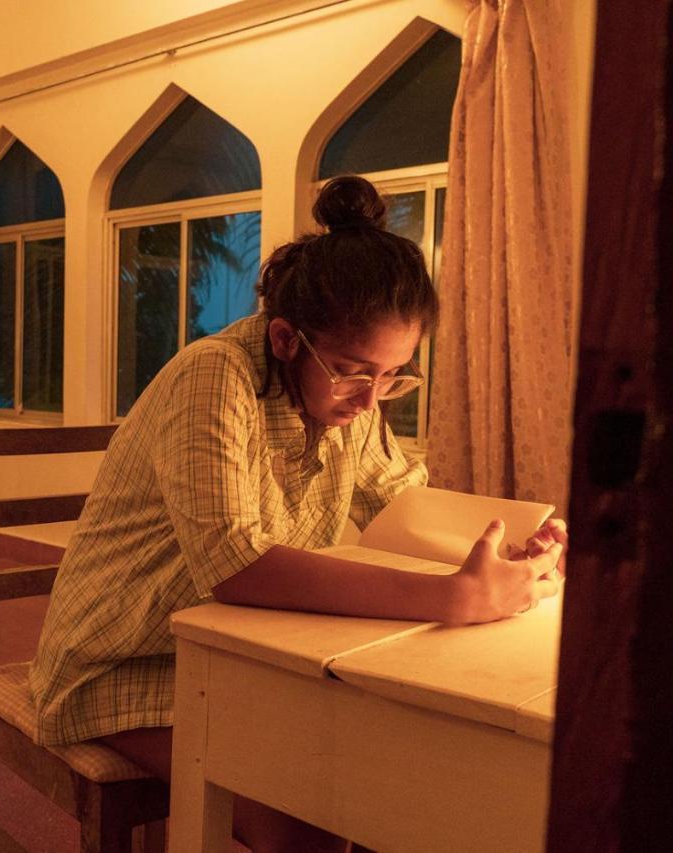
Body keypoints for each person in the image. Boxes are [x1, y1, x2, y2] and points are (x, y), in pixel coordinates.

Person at [28, 175, 567, 853]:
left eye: (394, 374)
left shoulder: (350, 402)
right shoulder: (214, 375)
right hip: (123, 659)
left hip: (241, 651)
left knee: (376, 776)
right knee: (306, 813)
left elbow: (402, 501)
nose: (372, 398)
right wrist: (454, 596)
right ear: (285, 339)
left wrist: (511, 548)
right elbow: (235, 565)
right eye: (354, 370)